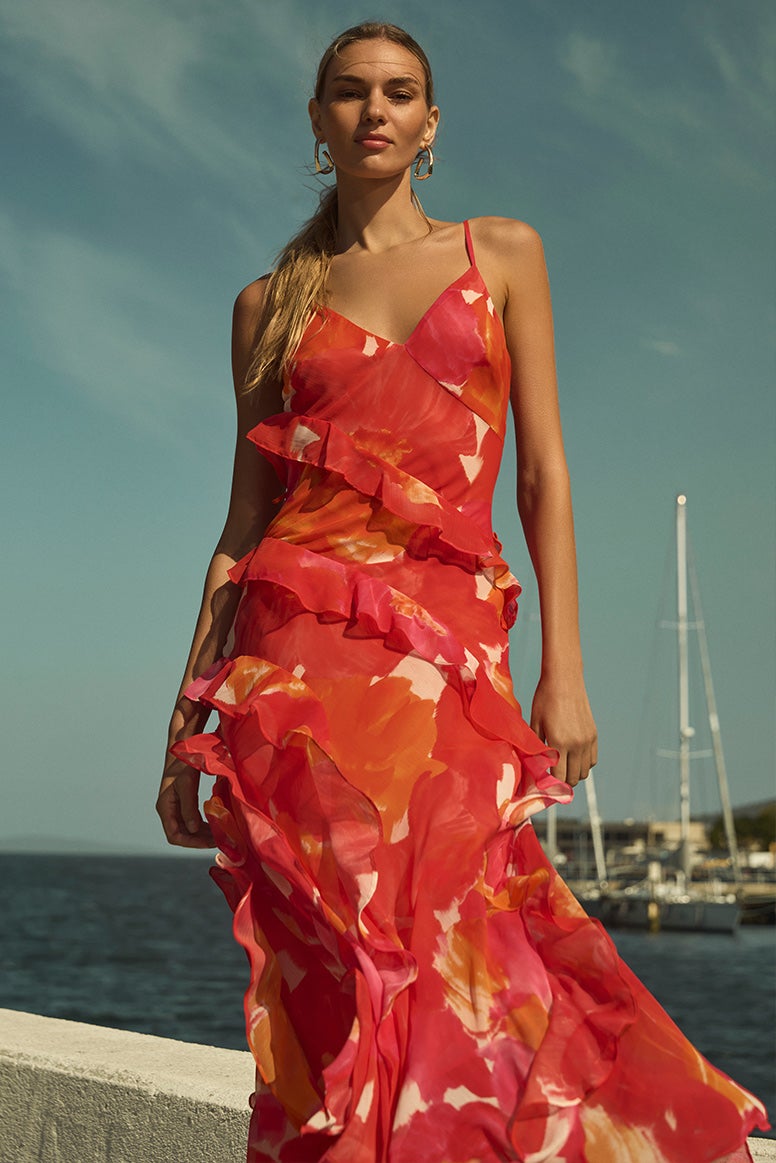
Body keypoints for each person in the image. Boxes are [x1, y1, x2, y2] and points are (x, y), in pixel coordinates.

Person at [156, 21, 768, 1163]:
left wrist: (565, 670)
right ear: (316, 119)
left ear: (430, 125)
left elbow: (541, 470)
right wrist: (186, 717)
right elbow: (243, 524)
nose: (373, 111)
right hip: (297, 666)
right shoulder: (265, 305)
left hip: (449, 660)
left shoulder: (502, 254)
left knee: (474, 934)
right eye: (348, 93)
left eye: (398, 94)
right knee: (342, 965)